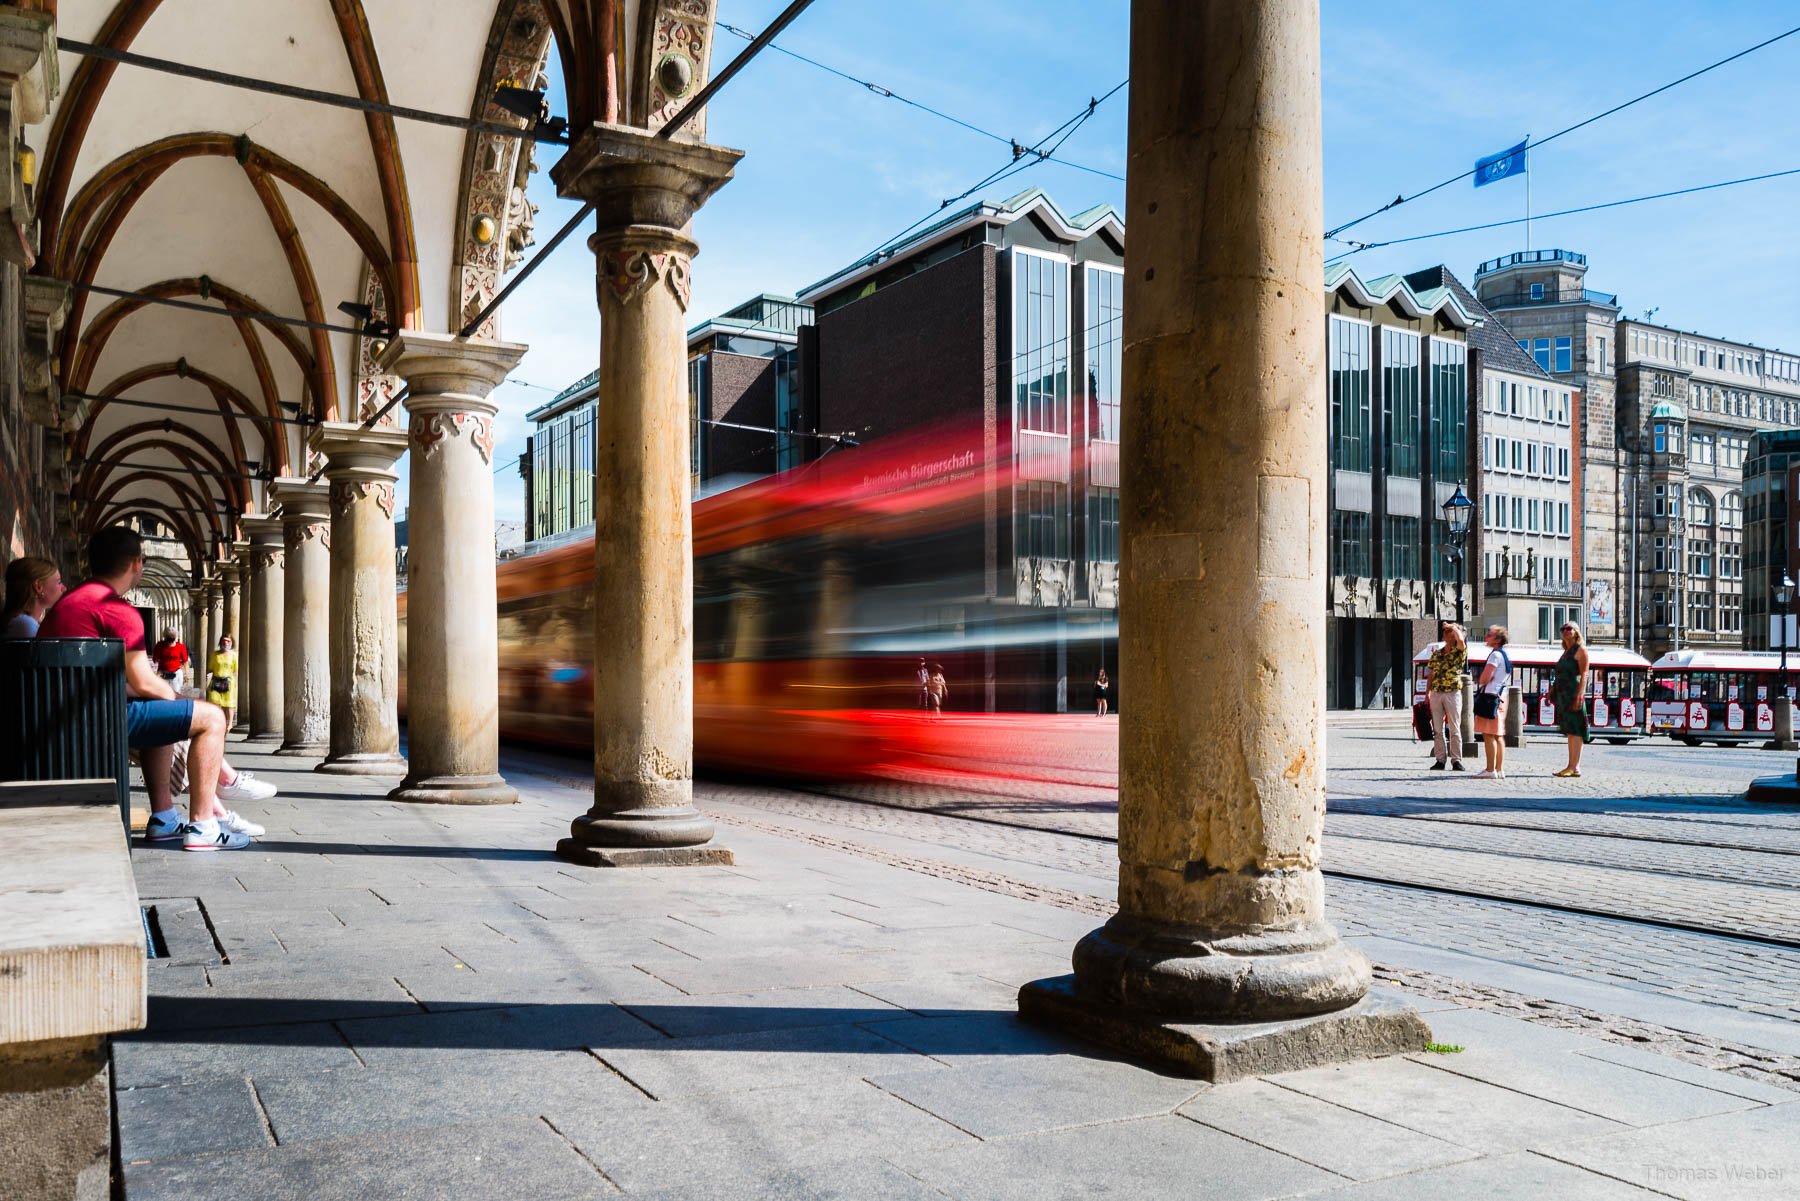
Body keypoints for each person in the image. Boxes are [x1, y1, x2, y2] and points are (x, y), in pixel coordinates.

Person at [38, 527, 260, 850]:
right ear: (137, 563)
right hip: (94, 721)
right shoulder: (117, 610)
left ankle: (164, 818)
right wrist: (186, 700)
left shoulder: (69, 603)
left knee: (165, 711)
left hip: (60, 715)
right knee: (212, 717)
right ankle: (203, 826)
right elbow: (143, 680)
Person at [1424, 622, 1467, 771]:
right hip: (1436, 692)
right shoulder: (1437, 653)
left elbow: (1461, 640)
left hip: (1452, 692)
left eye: (1447, 632)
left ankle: (1456, 760)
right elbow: (1431, 675)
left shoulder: (1459, 651)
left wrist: (1453, 626)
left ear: (1453, 635)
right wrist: (1427, 694)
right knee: (1437, 729)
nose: (1444, 633)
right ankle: (1440, 760)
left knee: (1454, 728)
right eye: (1445, 631)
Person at [1471, 626, 1512, 779]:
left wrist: (1480, 679)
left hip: (1490, 697)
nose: (1486, 637)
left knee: (1488, 735)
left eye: (1490, 635)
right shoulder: (1505, 655)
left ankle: (1490, 769)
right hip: (1502, 696)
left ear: (1498, 639)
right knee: (1499, 735)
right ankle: (1499, 769)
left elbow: (1485, 678)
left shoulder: (1495, 655)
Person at [1553, 621, 1591, 777]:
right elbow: (1560, 674)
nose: (1565, 631)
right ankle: (1571, 766)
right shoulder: (1566, 651)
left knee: (1576, 730)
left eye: (1569, 628)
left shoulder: (1580, 650)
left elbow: (1584, 674)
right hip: (1563, 694)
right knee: (1570, 731)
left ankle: (1574, 766)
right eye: (1563, 629)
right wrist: (1551, 691)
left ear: (1576, 632)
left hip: (1573, 693)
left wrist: (1579, 695)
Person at [2, 557, 63, 638]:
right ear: (38, 586)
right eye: (58, 582)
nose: (64, 588)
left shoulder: (23, 623)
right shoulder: (25, 625)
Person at [207, 634, 238, 730]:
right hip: (216, 679)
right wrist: (207, 680)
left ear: (232, 643)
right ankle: (217, 721)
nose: (226, 642)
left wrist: (236, 681)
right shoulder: (215, 654)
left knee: (229, 704)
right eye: (224, 640)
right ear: (220, 642)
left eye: (228, 641)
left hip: (228, 681)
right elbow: (210, 668)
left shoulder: (233, 655)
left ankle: (229, 723)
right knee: (214, 702)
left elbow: (236, 669)